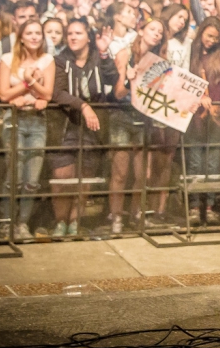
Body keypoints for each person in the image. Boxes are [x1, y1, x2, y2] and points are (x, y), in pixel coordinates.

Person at [49, 19, 118, 237]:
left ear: (88, 37)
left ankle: (74, 221)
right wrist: (83, 106)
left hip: (93, 127)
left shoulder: (98, 57)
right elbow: (57, 93)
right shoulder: (60, 60)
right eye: (70, 33)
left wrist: (105, 53)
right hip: (67, 124)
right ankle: (60, 222)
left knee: (84, 177)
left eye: (78, 33)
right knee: (62, 176)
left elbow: (113, 78)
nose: (73, 37)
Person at [0, 20, 55, 240]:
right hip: (15, 119)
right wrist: (27, 85)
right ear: (20, 37)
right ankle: (6, 222)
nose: (34, 37)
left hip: (37, 121)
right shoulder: (7, 59)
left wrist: (30, 82)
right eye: (29, 33)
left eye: (37, 33)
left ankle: (22, 224)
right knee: (15, 176)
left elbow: (47, 94)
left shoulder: (47, 60)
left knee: (32, 180)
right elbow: (4, 94)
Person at [111, 18, 167, 233]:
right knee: (120, 173)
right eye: (152, 29)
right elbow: (118, 93)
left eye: (160, 32)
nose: (156, 34)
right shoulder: (125, 54)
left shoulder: (159, 62)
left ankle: (135, 214)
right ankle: (116, 217)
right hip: (122, 117)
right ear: (141, 31)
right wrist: (128, 80)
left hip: (144, 119)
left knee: (142, 174)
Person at [185, 16, 220, 222]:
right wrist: (198, 96)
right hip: (194, 117)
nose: (211, 41)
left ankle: (209, 206)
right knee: (195, 161)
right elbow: (184, 79)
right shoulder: (191, 52)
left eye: (216, 38)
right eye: (209, 36)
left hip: (215, 117)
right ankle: (194, 206)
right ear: (201, 33)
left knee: (213, 162)